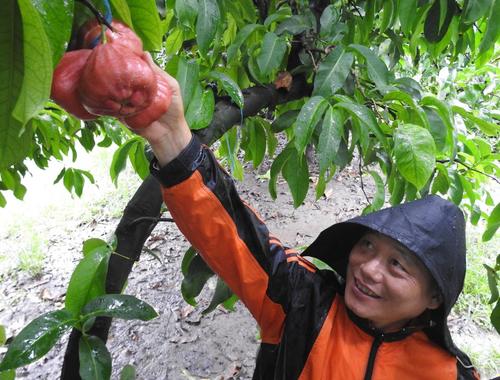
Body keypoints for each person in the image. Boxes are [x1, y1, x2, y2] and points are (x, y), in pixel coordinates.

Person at [136, 60, 480, 379]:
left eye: (397, 265)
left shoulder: (448, 372)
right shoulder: (303, 302)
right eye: (367, 244)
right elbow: (232, 235)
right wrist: (171, 137)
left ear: (435, 296)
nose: (368, 269)